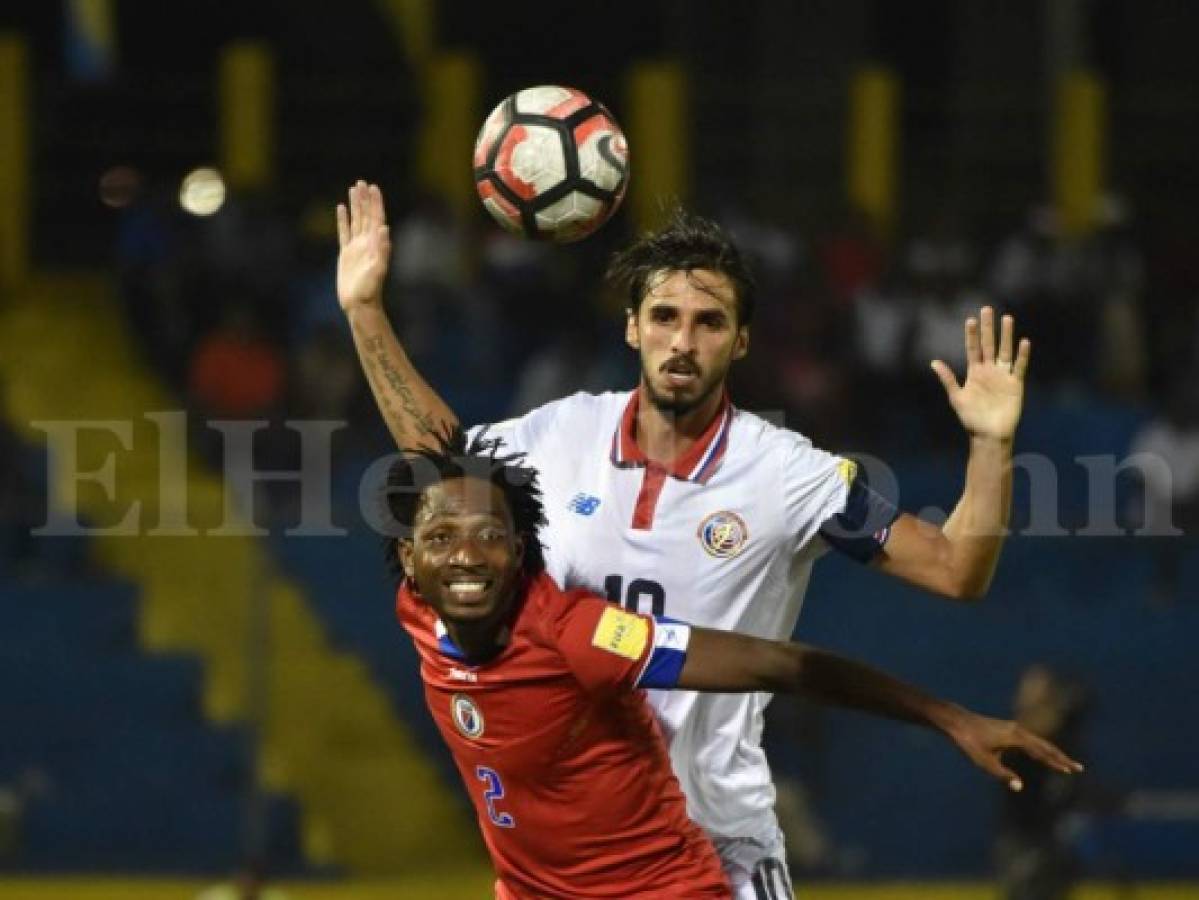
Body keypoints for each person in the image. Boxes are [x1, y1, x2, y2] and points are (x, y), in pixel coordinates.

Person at [336, 181, 1033, 895]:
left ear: (740, 339)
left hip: (717, 837)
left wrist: (991, 445)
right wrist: (363, 311)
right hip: (583, 847)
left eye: (709, 321)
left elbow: (955, 570)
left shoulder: (788, 474)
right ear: (632, 327)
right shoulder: (558, 435)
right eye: (664, 316)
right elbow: (439, 461)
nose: (683, 340)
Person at [389, 430, 1081, 900]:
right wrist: (364, 310)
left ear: (519, 551)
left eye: (490, 538)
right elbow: (439, 466)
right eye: (442, 539)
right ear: (407, 561)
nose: (466, 555)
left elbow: (774, 665)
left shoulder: (575, 633)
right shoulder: (420, 609)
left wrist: (950, 718)